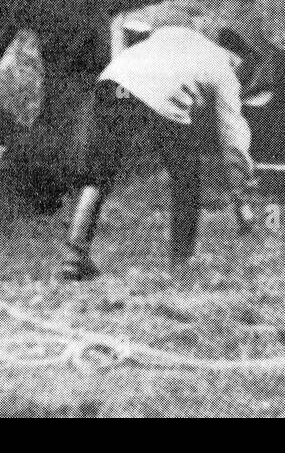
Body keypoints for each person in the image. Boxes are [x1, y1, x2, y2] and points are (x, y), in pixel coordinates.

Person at [60, 25, 264, 280]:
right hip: (159, 97)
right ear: (238, 61)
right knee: (187, 180)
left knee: (100, 172)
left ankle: (74, 255)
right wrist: (240, 196)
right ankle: (181, 263)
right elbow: (233, 140)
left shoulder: (178, 34)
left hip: (115, 84)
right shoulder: (225, 71)